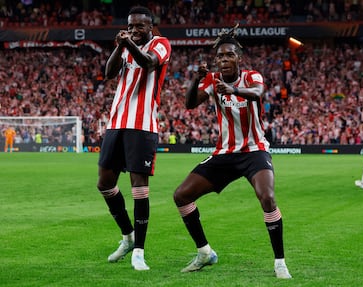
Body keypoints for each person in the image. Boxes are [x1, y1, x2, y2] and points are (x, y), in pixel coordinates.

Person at [173, 25, 292, 279]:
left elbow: (258, 93)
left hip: (254, 151)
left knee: (267, 197)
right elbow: (190, 104)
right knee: (181, 196)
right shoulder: (212, 81)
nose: (224, 60)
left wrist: (234, 90)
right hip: (224, 154)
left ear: (239, 58)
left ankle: (280, 262)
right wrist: (197, 78)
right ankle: (205, 252)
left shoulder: (251, 77)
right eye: (220, 57)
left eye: (229, 55)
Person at [96, 6, 171, 271]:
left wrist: (129, 44)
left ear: (150, 27)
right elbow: (108, 73)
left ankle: (139, 251)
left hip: (142, 126)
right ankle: (127, 236)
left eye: (140, 26)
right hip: (116, 123)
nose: (135, 30)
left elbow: (148, 63)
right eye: (131, 26)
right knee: (105, 184)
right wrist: (119, 46)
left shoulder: (161, 44)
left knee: (139, 188)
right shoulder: (127, 44)